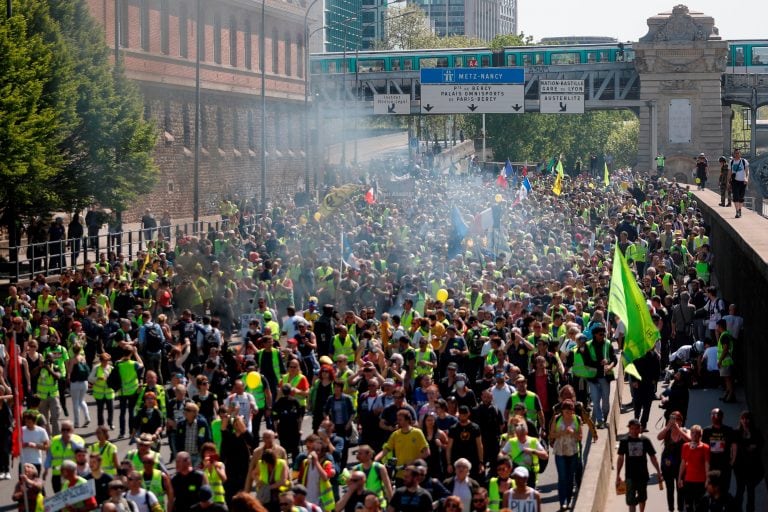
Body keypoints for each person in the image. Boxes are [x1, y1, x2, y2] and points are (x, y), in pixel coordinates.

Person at [616, 419, 663, 512]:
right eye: (631, 428)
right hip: (630, 476)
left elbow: (653, 457)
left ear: (640, 429)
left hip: (643, 475)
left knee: (642, 498)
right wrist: (618, 474)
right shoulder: (624, 441)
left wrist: (658, 471)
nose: (634, 431)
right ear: (629, 429)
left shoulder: (645, 440)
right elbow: (621, 458)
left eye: (636, 428)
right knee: (630, 501)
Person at [549, 399, 581, 510]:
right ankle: (563, 502)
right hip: (560, 452)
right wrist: (562, 432)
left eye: (570, 411)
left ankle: (568, 498)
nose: (568, 413)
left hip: (572, 451)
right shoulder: (557, 418)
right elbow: (552, 434)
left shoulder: (577, 419)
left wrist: (573, 432)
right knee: (562, 477)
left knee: (570, 477)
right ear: (562, 411)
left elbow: (580, 437)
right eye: (566, 411)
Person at [732, 411, 765, 512]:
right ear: (740, 420)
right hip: (740, 467)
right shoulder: (737, 432)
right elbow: (735, 447)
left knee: (751, 493)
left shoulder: (756, 432)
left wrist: (754, 447)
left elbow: (760, 444)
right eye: (743, 419)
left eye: (747, 419)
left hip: (753, 468)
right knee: (740, 491)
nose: (745, 421)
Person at [657, 411, 689, 512]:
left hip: (681, 466)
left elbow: (689, 440)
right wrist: (667, 427)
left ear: (681, 421)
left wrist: (678, 429)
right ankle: (671, 509)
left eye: (677, 420)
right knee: (670, 490)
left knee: (681, 490)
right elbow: (659, 437)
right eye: (673, 419)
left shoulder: (684, 430)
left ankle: (680, 509)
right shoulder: (668, 431)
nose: (675, 422)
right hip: (667, 465)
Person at [703, 408, 735, 495]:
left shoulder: (728, 430)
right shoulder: (706, 431)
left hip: (724, 465)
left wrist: (733, 460)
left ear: (721, 416)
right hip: (712, 465)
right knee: (712, 488)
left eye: (715, 414)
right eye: (712, 414)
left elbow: (734, 445)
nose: (713, 416)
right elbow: (703, 447)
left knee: (724, 488)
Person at [679, 425, 710, 512]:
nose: (695, 435)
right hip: (688, 481)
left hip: (700, 481)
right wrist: (679, 477)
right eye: (693, 433)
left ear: (701, 435)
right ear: (690, 434)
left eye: (697, 433)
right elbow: (683, 463)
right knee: (688, 506)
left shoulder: (705, 447)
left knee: (699, 506)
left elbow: (707, 464)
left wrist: (707, 479)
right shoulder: (685, 446)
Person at [729, 148, 749, 218]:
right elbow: (730, 172)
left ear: (740, 154)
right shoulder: (731, 162)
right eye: (736, 153)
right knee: (735, 197)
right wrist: (729, 181)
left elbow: (747, 171)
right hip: (734, 181)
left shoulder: (744, 161)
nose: (737, 154)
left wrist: (746, 178)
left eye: (738, 153)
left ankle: (740, 209)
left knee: (741, 198)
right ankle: (737, 211)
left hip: (743, 182)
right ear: (734, 154)